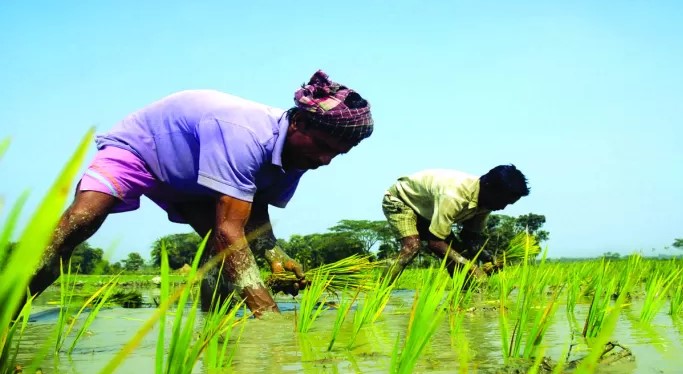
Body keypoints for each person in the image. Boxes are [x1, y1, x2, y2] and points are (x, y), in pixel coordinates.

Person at [28, 70, 374, 317]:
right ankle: (12, 304)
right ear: (298, 122)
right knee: (80, 221)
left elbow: (255, 214)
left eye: (337, 154)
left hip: (196, 179)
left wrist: (276, 256)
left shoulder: (297, 159)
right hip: (142, 150)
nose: (325, 160)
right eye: (322, 146)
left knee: (218, 256)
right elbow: (231, 231)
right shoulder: (245, 134)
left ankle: (212, 322)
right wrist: (268, 312)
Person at [381, 165, 529, 281]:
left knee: (458, 253)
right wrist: (471, 268)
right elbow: (435, 243)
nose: (502, 207)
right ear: (488, 187)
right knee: (412, 247)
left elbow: (469, 237)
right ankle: (379, 295)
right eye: (502, 201)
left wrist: (488, 257)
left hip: (429, 210)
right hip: (401, 200)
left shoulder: (487, 201)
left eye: (508, 204)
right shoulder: (454, 196)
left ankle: (464, 298)